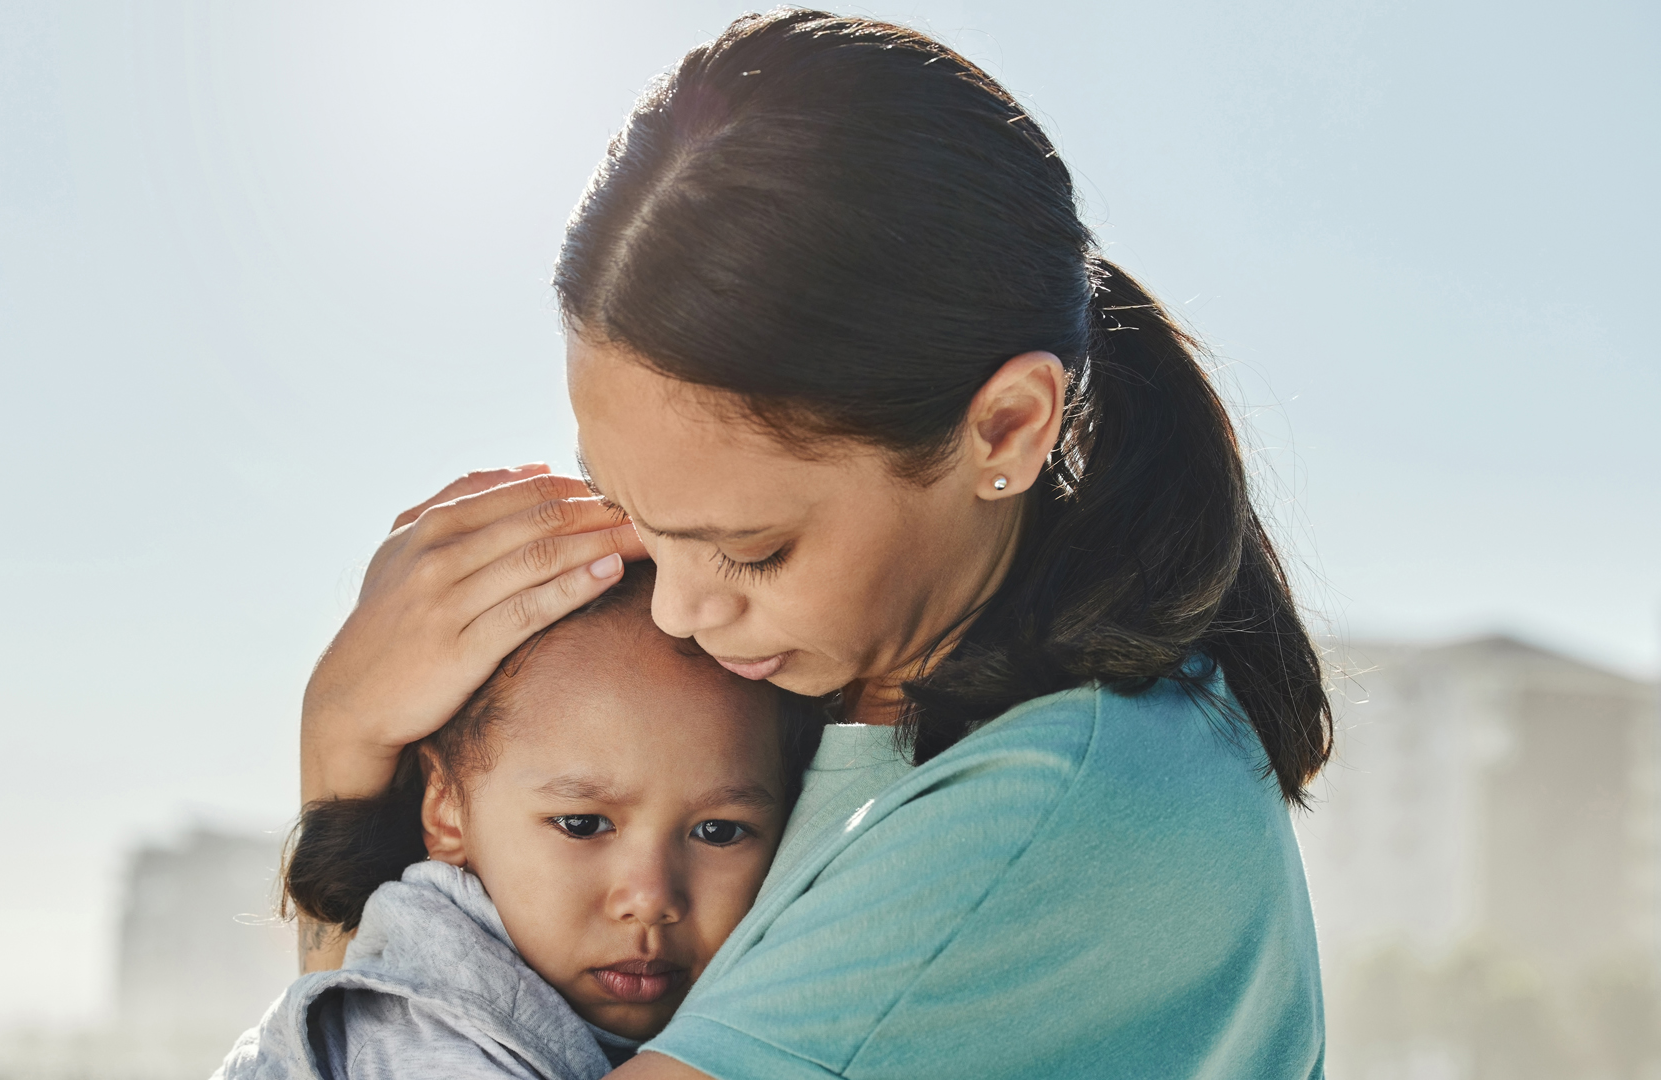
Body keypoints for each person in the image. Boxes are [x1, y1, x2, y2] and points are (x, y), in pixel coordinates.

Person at [298, 10, 1333, 1078]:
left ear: (1011, 428)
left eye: (752, 550)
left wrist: (339, 761)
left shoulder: (1043, 808)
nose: (678, 611)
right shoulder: (819, 688)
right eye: (638, 514)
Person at [218, 564, 819, 1079]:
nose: (650, 898)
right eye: (582, 825)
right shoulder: (421, 1039)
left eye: (717, 832)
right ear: (446, 808)